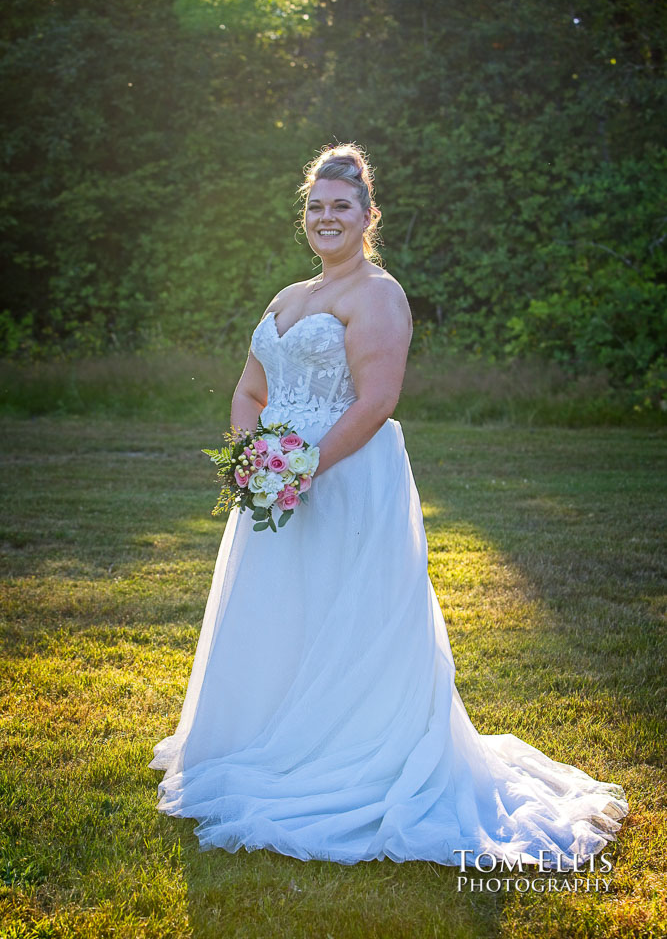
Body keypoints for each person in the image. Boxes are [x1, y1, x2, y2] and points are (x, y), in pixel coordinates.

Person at [149, 143, 629, 868]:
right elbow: (248, 392)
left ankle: (345, 749)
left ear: (369, 215)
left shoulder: (378, 294)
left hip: (343, 478)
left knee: (347, 613)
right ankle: (264, 736)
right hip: (275, 484)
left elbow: (376, 401)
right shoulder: (286, 297)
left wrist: (306, 465)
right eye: (315, 206)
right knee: (281, 611)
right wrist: (254, 460)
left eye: (341, 205)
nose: (326, 217)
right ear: (302, 218)